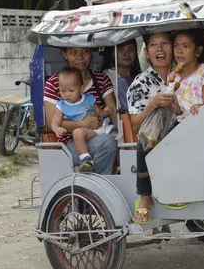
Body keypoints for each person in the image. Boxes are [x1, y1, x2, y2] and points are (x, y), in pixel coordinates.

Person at [127, 32, 180, 223]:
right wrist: (153, 104)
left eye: (165, 43)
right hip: (157, 142)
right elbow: (135, 126)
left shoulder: (184, 76)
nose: (160, 49)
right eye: (153, 45)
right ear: (147, 53)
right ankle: (145, 194)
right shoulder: (140, 83)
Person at [44, 47, 118, 175]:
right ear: (65, 54)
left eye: (85, 51)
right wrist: (83, 125)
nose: (80, 57)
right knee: (108, 142)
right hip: (71, 143)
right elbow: (53, 123)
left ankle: (87, 175)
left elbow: (113, 115)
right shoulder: (55, 84)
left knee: (119, 140)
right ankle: (97, 184)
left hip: (98, 134)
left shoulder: (102, 80)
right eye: (73, 52)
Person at [172, 29, 204, 120]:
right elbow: (179, 111)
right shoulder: (172, 76)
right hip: (179, 127)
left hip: (200, 123)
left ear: (198, 51)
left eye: (185, 46)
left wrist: (200, 106)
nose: (179, 51)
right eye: (175, 46)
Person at [101, 39, 141, 112]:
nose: (127, 53)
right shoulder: (106, 77)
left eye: (131, 49)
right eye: (121, 49)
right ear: (112, 53)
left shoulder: (140, 77)